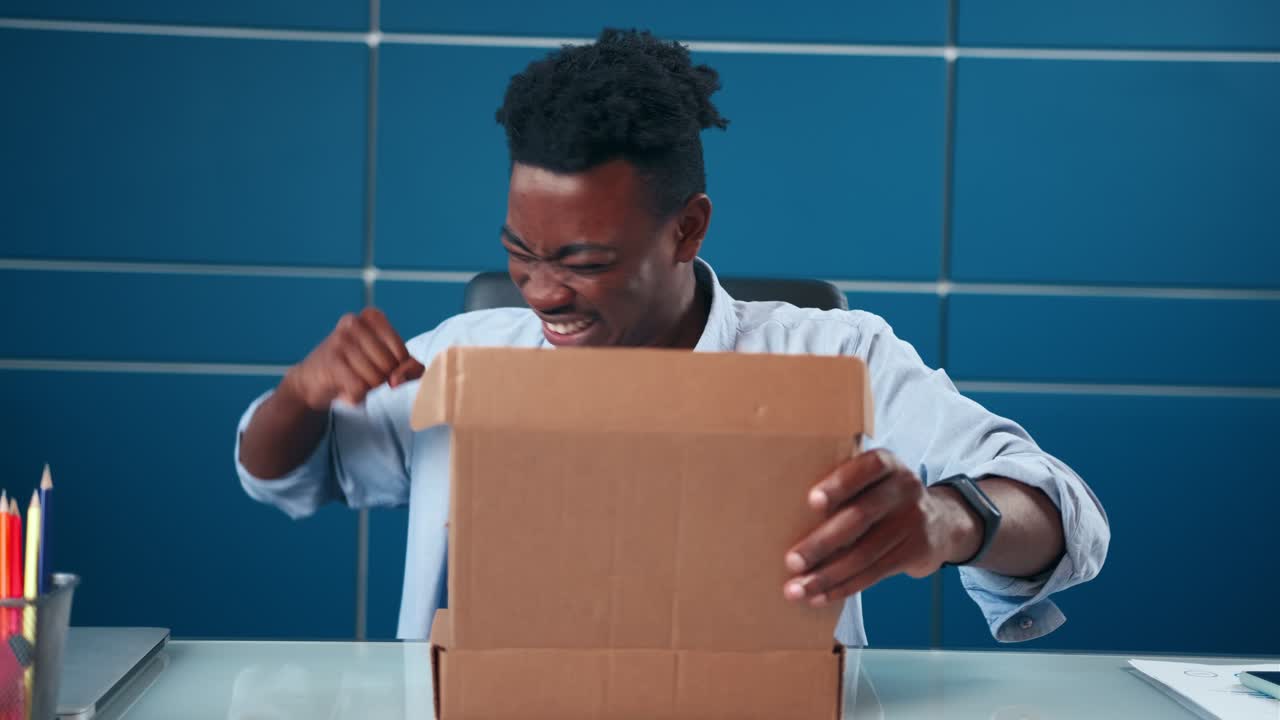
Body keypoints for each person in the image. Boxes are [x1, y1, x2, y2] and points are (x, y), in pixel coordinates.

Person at [235, 28, 1108, 644]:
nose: (543, 292)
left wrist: (948, 519)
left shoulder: (836, 358)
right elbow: (284, 477)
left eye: (583, 261)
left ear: (687, 230)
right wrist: (301, 394)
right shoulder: (464, 358)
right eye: (519, 254)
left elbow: (1065, 512)